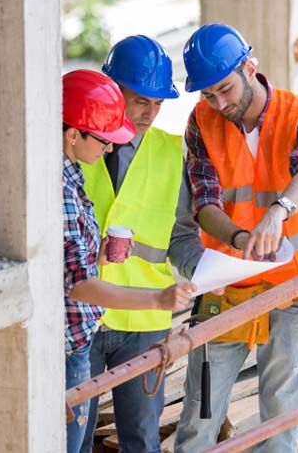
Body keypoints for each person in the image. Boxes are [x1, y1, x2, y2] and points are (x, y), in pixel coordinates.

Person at [174, 23, 298, 452]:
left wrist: (278, 213)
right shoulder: (202, 122)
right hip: (226, 282)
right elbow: (204, 204)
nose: (219, 103)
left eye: (225, 89)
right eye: (207, 95)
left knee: (282, 414)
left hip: (297, 283)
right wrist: (241, 237)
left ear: (250, 67)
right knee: (200, 410)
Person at [78, 36, 205, 453]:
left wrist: (205, 273)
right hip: (83, 316)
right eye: (140, 101)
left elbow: (181, 234)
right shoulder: (77, 145)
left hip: (144, 320)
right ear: (112, 90)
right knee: (74, 436)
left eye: (158, 104)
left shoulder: (172, 153)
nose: (149, 113)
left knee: (141, 440)